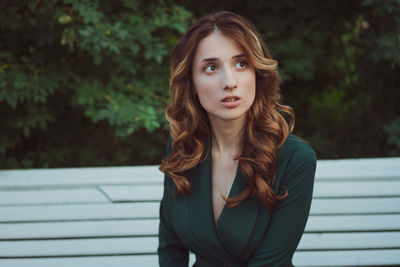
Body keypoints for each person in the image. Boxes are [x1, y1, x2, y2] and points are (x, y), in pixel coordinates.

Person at [158, 10, 317, 267]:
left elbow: (271, 262)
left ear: (257, 73)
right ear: (192, 84)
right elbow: (170, 249)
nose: (229, 82)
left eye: (241, 64)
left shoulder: (295, 158)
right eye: (211, 68)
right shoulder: (182, 150)